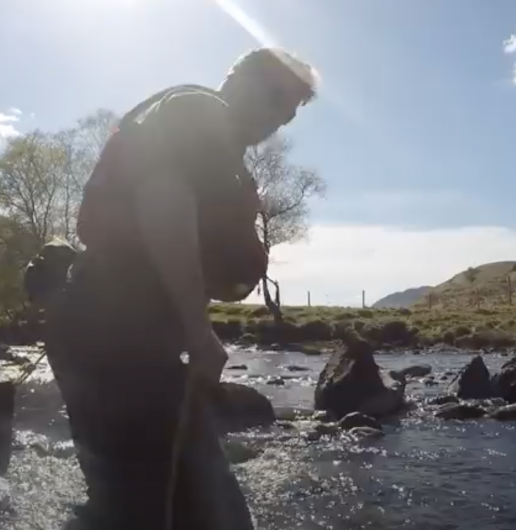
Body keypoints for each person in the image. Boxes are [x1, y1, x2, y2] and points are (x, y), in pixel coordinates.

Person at [44, 48, 319, 529]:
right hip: (112, 338)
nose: (279, 116)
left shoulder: (222, 153)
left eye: (290, 110)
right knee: (190, 512)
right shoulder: (200, 112)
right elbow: (163, 202)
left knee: (135, 502)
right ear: (236, 76)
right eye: (275, 95)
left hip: (114, 336)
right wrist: (198, 331)